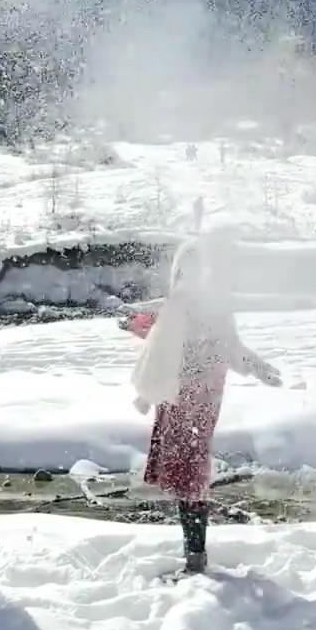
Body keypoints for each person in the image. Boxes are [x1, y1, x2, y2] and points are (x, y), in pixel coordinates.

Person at [122, 235, 281, 579]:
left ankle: (195, 558)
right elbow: (207, 345)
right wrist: (259, 368)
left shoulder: (188, 304)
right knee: (191, 477)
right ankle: (195, 555)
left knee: (189, 478)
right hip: (198, 401)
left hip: (186, 401)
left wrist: (259, 368)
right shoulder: (205, 305)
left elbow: (180, 345)